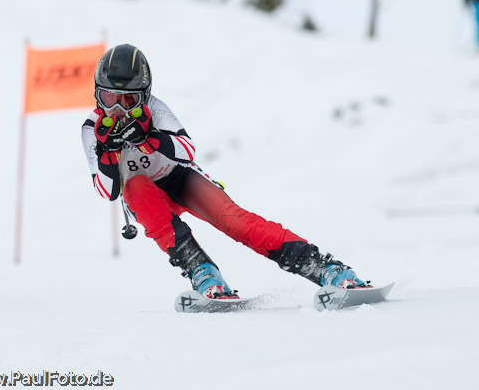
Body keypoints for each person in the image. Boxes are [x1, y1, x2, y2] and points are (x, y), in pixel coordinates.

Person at [81, 44, 369, 299]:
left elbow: (187, 149)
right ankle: (202, 271)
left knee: (236, 223)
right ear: (97, 95)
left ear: (144, 96)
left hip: (180, 180)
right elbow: (108, 191)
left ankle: (325, 268)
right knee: (136, 186)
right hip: (145, 196)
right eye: (109, 98)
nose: (117, 109)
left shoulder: (155, 109)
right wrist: (108, 151)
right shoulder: (91, 128)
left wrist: (149, 137)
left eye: (128, 100)